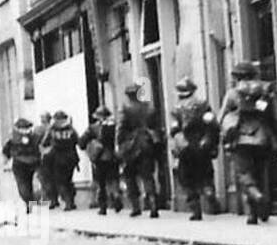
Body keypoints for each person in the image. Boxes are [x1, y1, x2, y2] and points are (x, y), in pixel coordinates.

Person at [219, 61, 277, 225]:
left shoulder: (232, 94)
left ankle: (253, 206)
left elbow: (221, 117)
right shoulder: (265, 92)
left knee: (244, 174)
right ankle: (262, 210)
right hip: (262, 138)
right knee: (261, 174)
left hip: (240, 140)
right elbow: (276, 117)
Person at [169, 77, 220, 221]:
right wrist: (210, 141)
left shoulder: (176, 109)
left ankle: (196, 210)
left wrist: (178, 143)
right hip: (202, 144)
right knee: (206, 173)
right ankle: (209, 192)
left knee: (187, 179)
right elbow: (212, 123)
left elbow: (174, 129)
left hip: (186, 146)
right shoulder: (203, 104)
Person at [118, 83, 160, 218]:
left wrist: (120, 146)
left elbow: (121, 129)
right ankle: (153, 203)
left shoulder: (125, 109)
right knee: (148, 176)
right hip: (147, 144)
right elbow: (155, 126)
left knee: (130, 177)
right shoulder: (148, 107)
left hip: (131, 146)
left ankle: (136, 206)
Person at [79, 106, 123, 215]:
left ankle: (103, 207)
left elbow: (82, 142)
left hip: (100, 158)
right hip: (113, 157)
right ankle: (116, 196)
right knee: (114, 179)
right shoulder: (116, 126)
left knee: (101, 183)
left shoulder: (94, 128)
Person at [2, 116, 42, 213]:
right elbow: (41, 148)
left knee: (24, 185)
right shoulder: (35, 137)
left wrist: (5, 160)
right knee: (29, 185)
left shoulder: (13, 138)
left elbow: (6, 151)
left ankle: (29, 201)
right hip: (32, 163)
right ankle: (31, 201)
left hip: (22, 164)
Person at [45, 110, 80, 210]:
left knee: (60, 181)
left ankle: (67, 201)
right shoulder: (71, 129)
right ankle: (71, 201)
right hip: (71, 158)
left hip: (57, 159)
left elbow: (45, 142)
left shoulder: (52, 130)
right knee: (68, 180)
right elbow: (78, 141)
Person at [33, 112, 55, 206]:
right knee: (53, 178)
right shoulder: (54, 128)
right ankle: (55, 200)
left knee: (44, 178)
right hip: (54, 155)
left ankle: (47, 200)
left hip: (42, 156)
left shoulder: (38, 129)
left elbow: (34, 142)